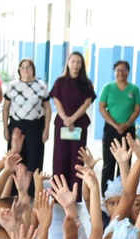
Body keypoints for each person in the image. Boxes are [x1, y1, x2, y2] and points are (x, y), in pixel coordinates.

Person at [49, 52, 96, 192]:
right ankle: (59, 192)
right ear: (68, 63)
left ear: (82, 65)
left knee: (77, 157)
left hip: (79, 124)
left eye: (78, 62)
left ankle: (75, 193)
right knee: (60, 157)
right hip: (62, 124)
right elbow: (56, 100)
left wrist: (72, 119)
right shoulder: (60, 82)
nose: (75, 65)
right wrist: (65, 118)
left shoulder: (86, 83)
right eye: (73, 61)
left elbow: (87, 103)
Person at [1, 59, 50, 174]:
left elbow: (48, 108)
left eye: (29, 67)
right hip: (16, 125)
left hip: (35, 126)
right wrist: (5, 128)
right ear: (19, 70)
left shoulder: (40, 86)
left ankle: (33, 189)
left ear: (33, 69)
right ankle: (12, 188)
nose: (26, 70)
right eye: (23, 67)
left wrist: (46, 129)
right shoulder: (13, 86)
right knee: (15, 157)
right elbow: (5, 108)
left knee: (34, 158)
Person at [98, 60, 140, 183]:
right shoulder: (108, 88)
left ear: (128, 72)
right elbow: (101, 107)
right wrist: (115, 125)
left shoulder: (134, 89)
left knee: (125, 161)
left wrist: (127, 124)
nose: (121, 73)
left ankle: (123, 191)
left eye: (124, 70)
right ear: (114, 72)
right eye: (118, 70)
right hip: (111, 129)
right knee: (109, 161)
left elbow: (137, 109)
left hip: (128, 130)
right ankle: (106, 193)